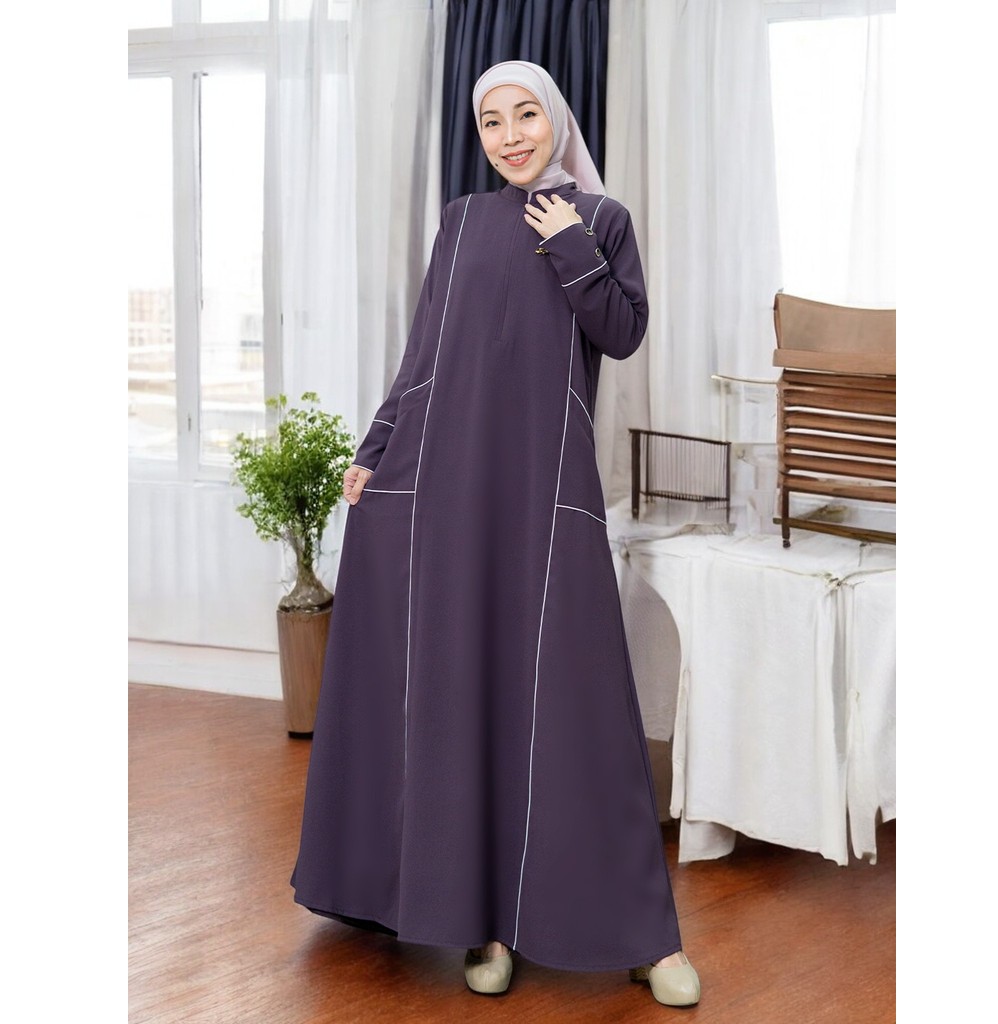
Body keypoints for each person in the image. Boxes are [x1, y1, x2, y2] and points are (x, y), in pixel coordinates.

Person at [290, 60, 700, 1009]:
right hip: (447, 487)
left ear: (556, 121)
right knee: (460, 697)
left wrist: (571, 246)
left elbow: (622, 333)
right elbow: (424, 353)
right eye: (491, 121)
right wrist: (375, 448)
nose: (511, 136)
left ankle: (644, 936)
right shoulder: (463, 220)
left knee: (576, 708)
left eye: (526, 116)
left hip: (547, 496)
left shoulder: (601, 219)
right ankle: (482, 923)